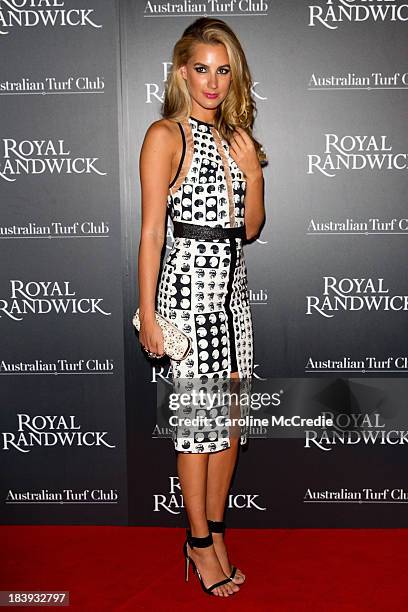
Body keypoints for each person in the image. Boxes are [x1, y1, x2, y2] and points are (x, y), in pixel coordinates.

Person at [137, 17, 266, 597]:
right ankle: (196, 543)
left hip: (233, 298)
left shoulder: (236, 138)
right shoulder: (166, 134)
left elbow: (251, 228)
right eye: (201, 69)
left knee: (229, 427)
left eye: (223, 70)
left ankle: (216, 531)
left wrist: (252, 176)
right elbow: (151, 234)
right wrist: (149, 314)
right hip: (187, 298)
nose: (212, 82)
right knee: (198, 430)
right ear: (182, 71)